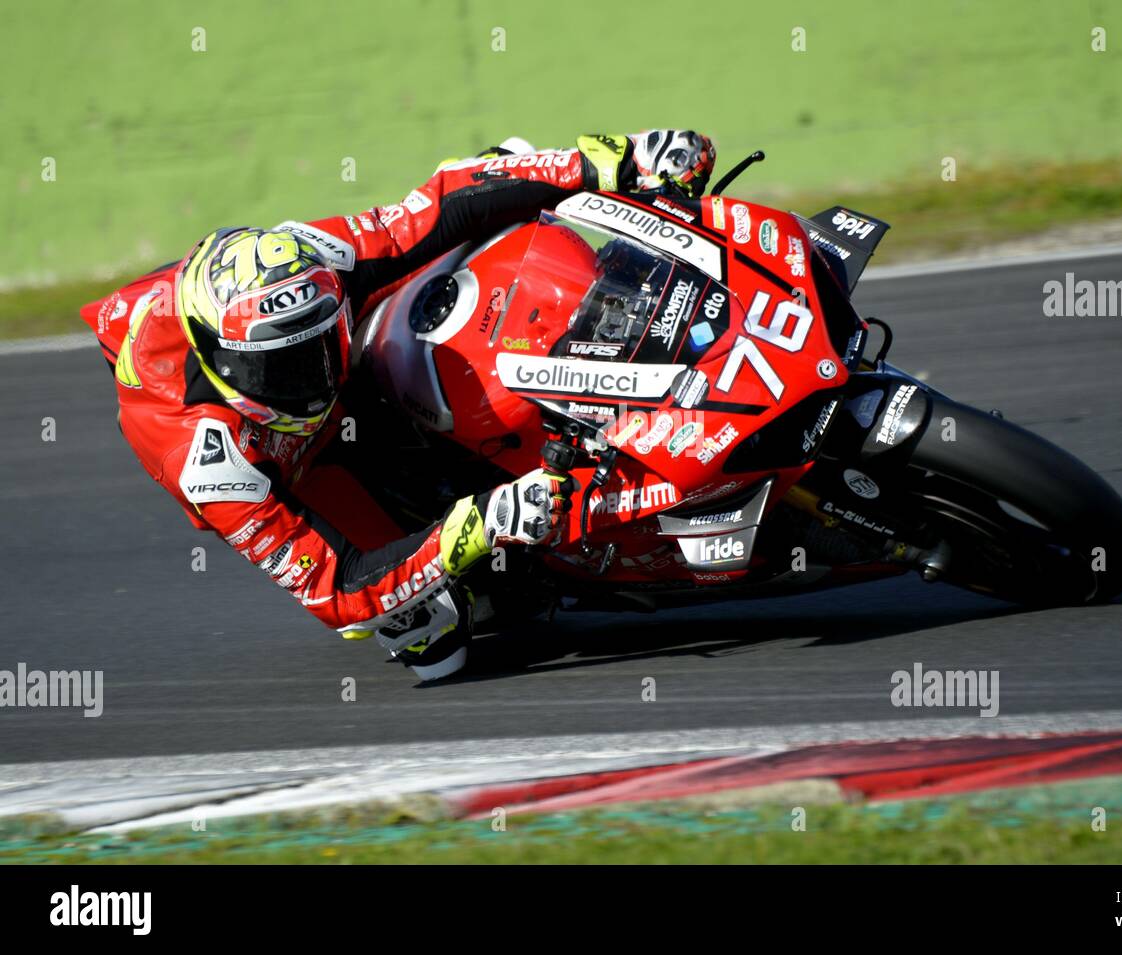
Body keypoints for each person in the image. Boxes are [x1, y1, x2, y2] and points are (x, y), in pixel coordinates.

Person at [84, 130, 716, 681]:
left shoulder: (306, 262)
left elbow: (426, 211)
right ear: (219, 360)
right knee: (430, 632)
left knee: (495, 184)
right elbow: (339, 589)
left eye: (316, 346)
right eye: (281, 367)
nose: (313, 380)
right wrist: (482, 523)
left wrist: (610, 163)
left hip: (362, 359)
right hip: (299, 473)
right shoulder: (207, 462)